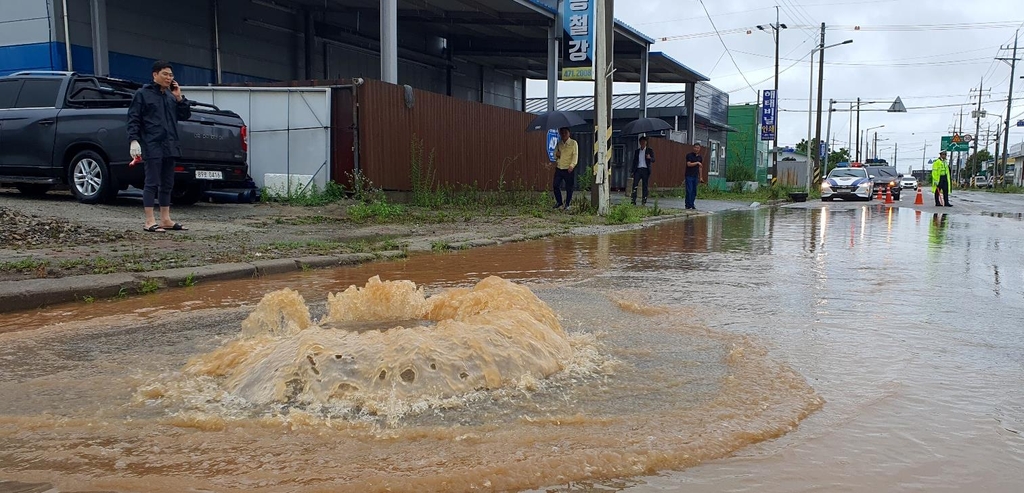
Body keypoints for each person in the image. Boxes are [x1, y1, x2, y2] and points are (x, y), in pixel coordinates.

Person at [128, 60, 192, 232]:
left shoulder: (171, 96)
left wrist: (180, 98)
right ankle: (149, 221)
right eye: (165, 74)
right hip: (152, 143)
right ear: (155, 75)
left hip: (170, 144)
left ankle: (166, 219)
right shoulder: (142, 94)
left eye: (171, 75)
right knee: (152, 182)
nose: (169, 78)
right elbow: (134, 118)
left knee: (168, 183)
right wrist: (133, 140)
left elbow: (185, 115)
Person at [552, 127, 578, 211]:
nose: (563, 134)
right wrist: (557, 154)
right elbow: (554, 155)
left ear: (569, 133)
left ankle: (567, 204)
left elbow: (575, 155)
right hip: (559, 167)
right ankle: (559, 202)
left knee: (569, 187)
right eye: (562, 133)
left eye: (565, 133)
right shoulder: (559, 144)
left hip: (568, 168)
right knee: (555, 185)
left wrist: (572, 165)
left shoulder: (573, 143)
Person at [631, 136, 656, 206]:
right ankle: (633, 200)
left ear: (646, 142)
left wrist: (649, 157)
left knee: (645, 185)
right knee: (635, 185)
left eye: (644, 142)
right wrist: (632, 171)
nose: (643, 143)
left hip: (645, 169)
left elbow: (654, 159)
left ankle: (644, 200)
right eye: (641, 142)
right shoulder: (637, 151)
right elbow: (634, 161)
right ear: (639, 143)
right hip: (638, 169)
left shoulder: (649, 150)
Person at [684, 143, 704, 210]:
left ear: (699, 149)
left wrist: (701, 177)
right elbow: (689, 164)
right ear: (693, 148)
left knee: (694, 191)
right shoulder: (689, 155)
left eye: (698, 148)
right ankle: (688, 204)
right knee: (689, 190)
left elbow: (700, 167)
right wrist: (697, 163)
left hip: (695, 176)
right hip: (689, 175)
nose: (696, 149)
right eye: (695, 147)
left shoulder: (700, 157)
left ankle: (692, 204)